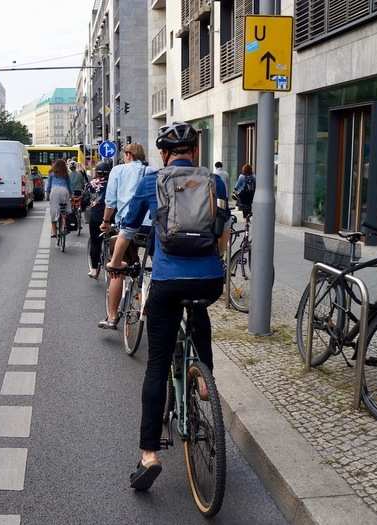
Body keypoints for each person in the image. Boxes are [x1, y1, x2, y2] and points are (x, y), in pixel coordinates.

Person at [107, 122, 228, 491]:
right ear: (195, 151)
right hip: (209, 280)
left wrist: (116, 262)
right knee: (199, 311)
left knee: (157, 366)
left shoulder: (150, 182)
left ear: (163, 154)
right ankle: (204, 382)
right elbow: (222, 232)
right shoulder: (215, 182)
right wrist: (210, 263)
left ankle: (149, 455)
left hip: (167, 281)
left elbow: (129, 227)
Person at [99, 143, 153, 330]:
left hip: (127, 228)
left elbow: (111, 202)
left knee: (117, 270)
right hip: (150, 228)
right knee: (156, 266)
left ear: (128, 154)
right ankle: (150, 300)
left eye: (124, 155)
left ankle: (112, 317)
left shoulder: (118, 170)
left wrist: (106, 221)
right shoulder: (152, 170)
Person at [87, 160, 113, 278]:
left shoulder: (92, 183)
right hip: (111, 215)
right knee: (114, 239)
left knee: (95, 242)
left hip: (96, 216)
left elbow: (85, 197)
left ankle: (93, 269)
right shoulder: (113, 182)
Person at [45, 159, 72, 238]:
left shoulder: (51, 173)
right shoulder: (66, 174)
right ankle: (65, 226)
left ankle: (54, 233)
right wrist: (71, 194)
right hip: (64, 191)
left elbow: (49, 185)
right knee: (65, 210)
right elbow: (69, 186)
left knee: (53, 212)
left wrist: (47, 195)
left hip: (55, 191)